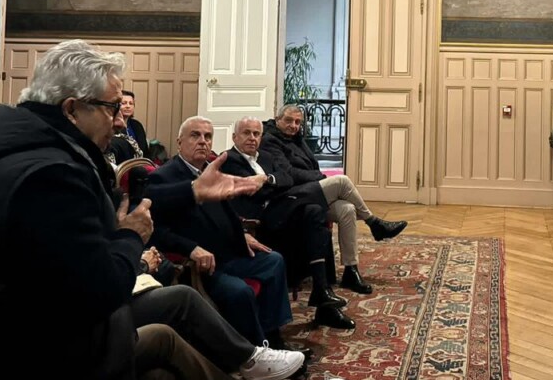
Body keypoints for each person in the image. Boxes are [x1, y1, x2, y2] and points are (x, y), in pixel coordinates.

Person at [0, 39, 294, 380]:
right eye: (111, 107)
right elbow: (103, 291)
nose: (120, 120)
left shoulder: (23, 147)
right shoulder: (49, 174)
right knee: (165, 343)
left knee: (162, 376)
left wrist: (192, 191)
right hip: (26, 363)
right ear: (72, 108)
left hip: (29, 331)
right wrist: (131, 238)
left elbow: (114, 218)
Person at [149, 116, 302, 346]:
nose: (203, 141)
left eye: (208, 136)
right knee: (241, 292)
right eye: (195, 135)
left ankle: (272, 335)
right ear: (179, 142)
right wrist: (192, 248)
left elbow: (228, 212)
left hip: (230, 252)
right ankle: (254, 348)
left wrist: (242, 233)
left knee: (274, 260)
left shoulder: (211, 171)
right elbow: (156, 231)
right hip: (203, 266)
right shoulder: (163, 177)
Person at [223, 117, 355, 329]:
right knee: (315, 198)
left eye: (256, 134)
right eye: (246, 133)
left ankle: (322, 293)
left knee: (314, 211)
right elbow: (253, 191)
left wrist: (266, 179)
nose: (252, 138)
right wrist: (273, 184)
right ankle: (323, 294)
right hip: (259, 218)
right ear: (234, 137)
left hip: (282, 210)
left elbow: (287, 178)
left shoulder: (266, 157)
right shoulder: (228, 160)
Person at [262, 104, 408, 294]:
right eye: (289, 121)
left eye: (298, 122)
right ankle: (374, 223)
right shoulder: (270, 140)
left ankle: (351, 270)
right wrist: (319, 178)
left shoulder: (296, 138)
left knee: (347, 209)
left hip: (307, 192)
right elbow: (288, 173)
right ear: (277, 119)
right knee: (342, 181)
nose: (294, 126)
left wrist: (316, 177)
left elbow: (312, 166)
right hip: (288, 196)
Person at [120, 89, 150, 154]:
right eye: (124, 103)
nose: (128, 106)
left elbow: (145, 151)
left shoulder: (137, 125)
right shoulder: (111, 126)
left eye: (131, 103)